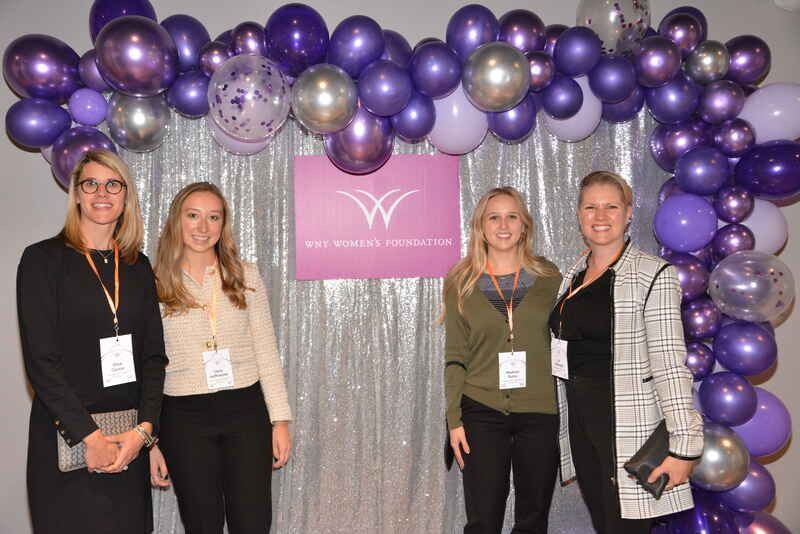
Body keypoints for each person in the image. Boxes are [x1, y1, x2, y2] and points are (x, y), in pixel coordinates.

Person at [17, 150, 167, 533]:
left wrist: (144, 433)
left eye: (113, 184)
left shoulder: (138, 265)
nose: (102, 192)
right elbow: (41, 361)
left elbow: (153, 357)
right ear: (78, 195)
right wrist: (91, 438)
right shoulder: (41, 261)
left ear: (125, 196)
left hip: (127, 444)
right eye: (91, 184)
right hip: (66, 439)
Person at [548, 171, 704, 533]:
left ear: (629, 212)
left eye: (611, 207)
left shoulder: (654, 274)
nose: (600, 216)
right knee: (605, 525)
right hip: (582, 424)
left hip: (627, 428)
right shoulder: (573, 274)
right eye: (591, 207)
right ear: (578, 214)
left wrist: (684, 447)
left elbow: (670, 364)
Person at [148, 181, 292, 533]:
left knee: (252, 521)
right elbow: (147, 368)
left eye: (213, 217)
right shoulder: (153, 284)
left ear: (222, 224)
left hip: (245, 411)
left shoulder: (246, 276)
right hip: (182, 417)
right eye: (193, 216)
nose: (203, 227)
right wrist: (150, 441)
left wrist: (281, 421)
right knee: (202, 523)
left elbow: (266, 351)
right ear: (176, 221)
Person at [443, 186, 562, 534]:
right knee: (482, 520)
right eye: (493, 217)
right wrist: (454, 420)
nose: (503, 225)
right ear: (481, 226)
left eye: (512, 216)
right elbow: (454, 356)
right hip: (480, 412)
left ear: (524, 225)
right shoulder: (460, 282)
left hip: (539, 412)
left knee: (533, 519)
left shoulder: (550, 278)